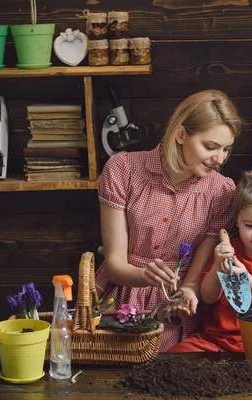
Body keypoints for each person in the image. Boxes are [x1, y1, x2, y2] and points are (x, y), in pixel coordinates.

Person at [95, 89, 242, 351]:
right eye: (210, 147)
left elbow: (193, 280)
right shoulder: (122, 169)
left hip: (172, 309)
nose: (219, 159)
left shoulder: (222, 191)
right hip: (117, 298)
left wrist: (187, 292)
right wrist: (146, 275)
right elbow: (115, 265)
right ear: (181, 134)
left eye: (226, 149)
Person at [168, 169, 252, 352]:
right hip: (212, 340)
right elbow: (208, 297)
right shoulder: (228, 249)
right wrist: (217, 269)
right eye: (249, 225)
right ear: (237, 221)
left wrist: (246, 278)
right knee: (176, 354)